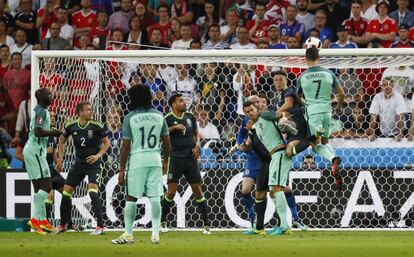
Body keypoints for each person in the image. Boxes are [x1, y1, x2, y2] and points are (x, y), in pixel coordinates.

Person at [112, 85, 170, 244]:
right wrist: (165, 161)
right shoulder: (160, 116)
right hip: (155, 159)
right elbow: (166, 142)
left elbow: (125, 146)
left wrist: (121, 169)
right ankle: (155, 234)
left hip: (137, 160)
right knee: (156, 196)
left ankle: (128, 234)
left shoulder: (129, 117)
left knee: (131, 197)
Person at [54, 101, 110, 235]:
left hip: (93, 164)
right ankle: (63, 225)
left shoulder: (97, 126)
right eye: (88, 109)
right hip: (78, 163)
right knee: (66, 192)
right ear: (80, 112)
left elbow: (106, 143)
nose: (90, 111)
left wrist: (98, 156)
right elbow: (62, 141)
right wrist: (60, 158)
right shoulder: (70, 126)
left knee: (92, 191)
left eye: (91, 109)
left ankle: (100, 227)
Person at [160, 93, 211, 235]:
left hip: (190, 158)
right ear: (173, 104)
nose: (184, 102)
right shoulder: (168, 119)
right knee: (171, 192)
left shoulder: (190, 117)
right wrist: (174, 128)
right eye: (181, 101)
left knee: (198, 191)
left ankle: (206, 225)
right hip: (175, 158)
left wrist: (197, 145)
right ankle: (163, 221)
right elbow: (160, 134)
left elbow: (196, 133)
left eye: (184, 100)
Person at [296, 47, 345, 189]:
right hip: (327, 112)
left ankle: (332, 159)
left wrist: (306, 104)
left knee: (315, 144)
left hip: (313, 113)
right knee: (325, 140)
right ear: (319, 58)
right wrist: (339, 107)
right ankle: (333, 160)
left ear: (306, 59)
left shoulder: (303, 76)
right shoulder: (328, 73)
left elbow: (298, 96)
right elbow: (341, 94)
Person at [243, 100, 292, 235]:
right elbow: (250, 145)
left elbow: (282, 114)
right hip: (274, 156)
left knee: (276, 189)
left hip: (280, 152)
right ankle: (278, 226)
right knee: (272, 191)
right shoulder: (254, 126)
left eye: (251, 110)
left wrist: (283, 120)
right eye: (247, 112)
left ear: (257, 108)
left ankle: (285, 226)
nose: (250, 113)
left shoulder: (264, 115)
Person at [24, 88, 62, 235]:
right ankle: (34, 220)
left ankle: (43, 221)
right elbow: (38, 131)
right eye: (49, 95)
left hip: (34, 150)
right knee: (47, 185)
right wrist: (55, 132)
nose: (51, 96)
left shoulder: (41, 111)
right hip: (36, 151)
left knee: (38, 187)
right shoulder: (41, 111)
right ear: (41, 97)